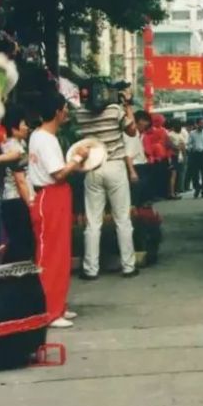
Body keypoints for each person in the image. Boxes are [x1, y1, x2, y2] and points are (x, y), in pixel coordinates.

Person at [28, 92, 88, 328]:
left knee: (60, 253)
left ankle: (57, 305)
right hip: (50, 196)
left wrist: (77, 164)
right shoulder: (46, 139)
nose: (67, 113)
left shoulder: (41, 136)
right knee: (50, 255)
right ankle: (49, 311)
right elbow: (59, 173)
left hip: (56, 196)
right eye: (65, 108)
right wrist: (77, 159)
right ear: (56, 112)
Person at [73, 89, 139, 281]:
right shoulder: (114, 110)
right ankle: (128, 267)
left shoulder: (81, 114)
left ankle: (90, 269)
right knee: (122, 220)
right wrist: (127, 105)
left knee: (93, 222)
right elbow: (132, 131)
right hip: (115, 167)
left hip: (92, 169)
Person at [0, 107, 35, 263]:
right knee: (21, 243)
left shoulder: (9, 144)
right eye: (23, 124)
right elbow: (20, 180)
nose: (26, 127)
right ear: (13, 128)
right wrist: (30, 204)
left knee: (15, 241)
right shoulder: (14, 148)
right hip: (17, 200)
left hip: (11, 200)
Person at [126, 110, 152, 206]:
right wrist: (132, 172)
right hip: (136, 167)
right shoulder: (131, 134)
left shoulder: (138, 134)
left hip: (142, 165)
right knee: (135, 197)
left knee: (140, 196)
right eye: (145, 122)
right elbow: (128, 155)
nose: (146, 125)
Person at [168, 118, 189, 195]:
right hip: (174, 156)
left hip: (178, 156)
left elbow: (182, 146)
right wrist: (184, 156)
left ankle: (175, 191)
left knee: (176, 175)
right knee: (174, 175)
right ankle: (172, 192)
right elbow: (173, 146)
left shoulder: (176, 134)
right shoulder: (171, 135)